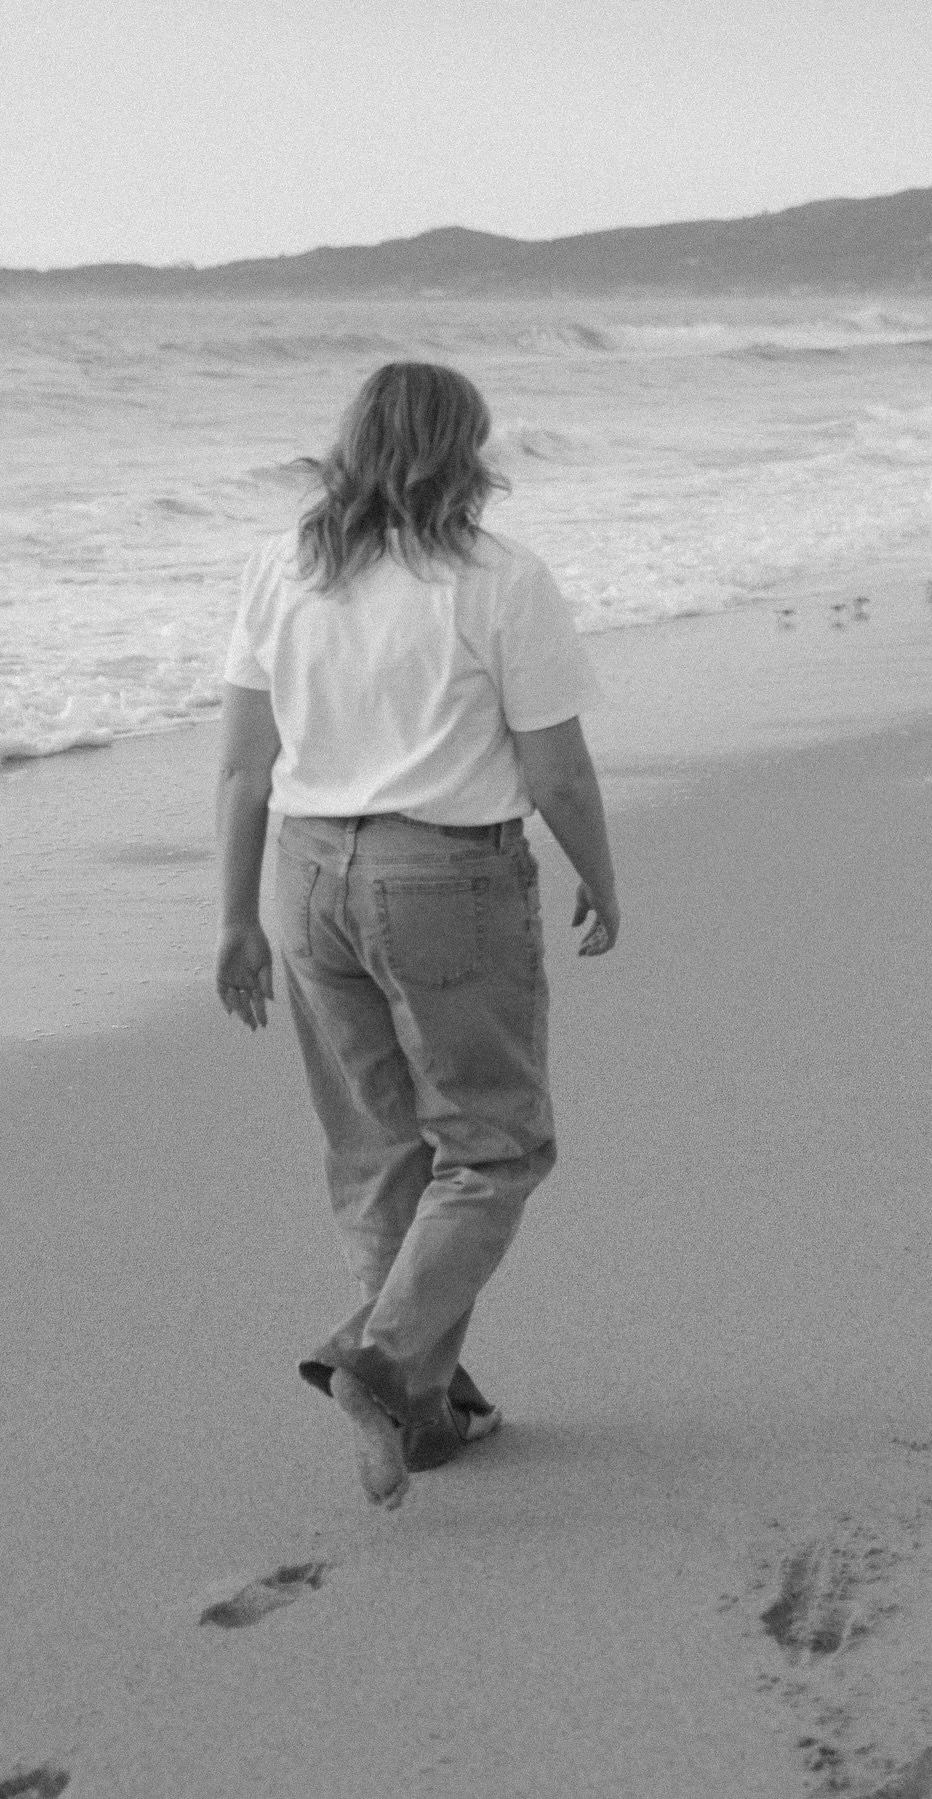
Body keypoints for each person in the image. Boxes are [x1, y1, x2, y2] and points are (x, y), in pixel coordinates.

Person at [214, 362, 619, 1510]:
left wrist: (235, 918)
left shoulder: (283, 568)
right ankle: (381, 1360)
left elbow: (244, 768)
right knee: (495, 1148)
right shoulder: (498, 578)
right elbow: (556, 771)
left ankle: (429, 1412)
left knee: (378, 1149)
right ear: (466, 452)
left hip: (306, 876)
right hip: (442, 876)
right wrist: (603, 878)